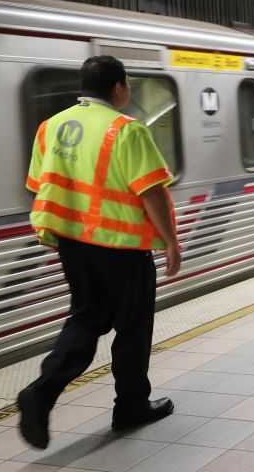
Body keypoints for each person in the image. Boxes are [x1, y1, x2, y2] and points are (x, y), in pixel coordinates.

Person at [17, 55, 182, 449]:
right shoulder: (126, 130)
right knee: (132, 328)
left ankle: (42, 391)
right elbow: (152, 191)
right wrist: (171, 241)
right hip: (121, 247)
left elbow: (39, 184)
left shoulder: (50, 126)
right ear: (119, 87)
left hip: (73, 243)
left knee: (86, 319)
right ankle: (131, 407)